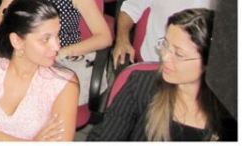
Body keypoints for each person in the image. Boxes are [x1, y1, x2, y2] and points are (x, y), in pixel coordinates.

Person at [89, 8, 234, 141]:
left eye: (179, 54)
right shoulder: (140, 85)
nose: (164, 57)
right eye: (165, 44)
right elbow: (106, 137)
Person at [0, 0, 79, 141]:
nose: (57, 46)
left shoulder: (64, 85)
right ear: (16, 41)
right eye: (45, 39)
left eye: (57, 35)